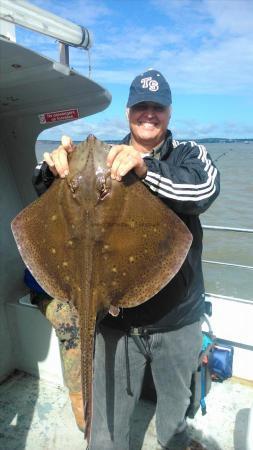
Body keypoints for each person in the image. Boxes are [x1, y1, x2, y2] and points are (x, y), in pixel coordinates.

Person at [33, 69, 220, 450]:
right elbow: (46, 205)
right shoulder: (101, 159)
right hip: (113, 319)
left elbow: (204, 189)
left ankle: (176, 439)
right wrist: (51, 172)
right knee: (106, 423)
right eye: (141, 107)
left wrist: (144, 168)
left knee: (175, 410)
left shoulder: (189, 154)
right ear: (128, 112)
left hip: (177, 320)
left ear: (169, 112)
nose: (148, 114)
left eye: (157, 107)